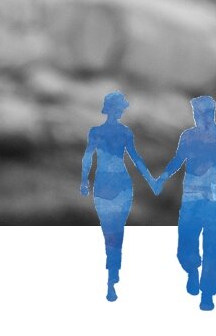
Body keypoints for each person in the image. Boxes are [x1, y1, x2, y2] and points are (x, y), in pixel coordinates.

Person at [154, 96, 216, 310]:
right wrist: (162, 180)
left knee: (214, 246)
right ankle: (192, 272)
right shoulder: (188, 137)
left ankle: (208, 291)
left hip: (213, 199)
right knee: (186, 246)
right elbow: (178, 161)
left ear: (211, 114)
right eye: (197, 114)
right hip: (191, 197)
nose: (199, 118)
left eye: (203, 114)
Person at [78, 91, 159, 300]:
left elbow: (135, 158)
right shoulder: (108, 132)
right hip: (112, 183)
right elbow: (135, 159)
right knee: (112, 232)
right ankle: (111, 278)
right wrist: (84, 181)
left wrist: (151, 180)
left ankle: (112, 279)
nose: (122, 111)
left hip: (113, 183)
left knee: (113, 232)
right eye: (120, 108)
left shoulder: (110, 132)